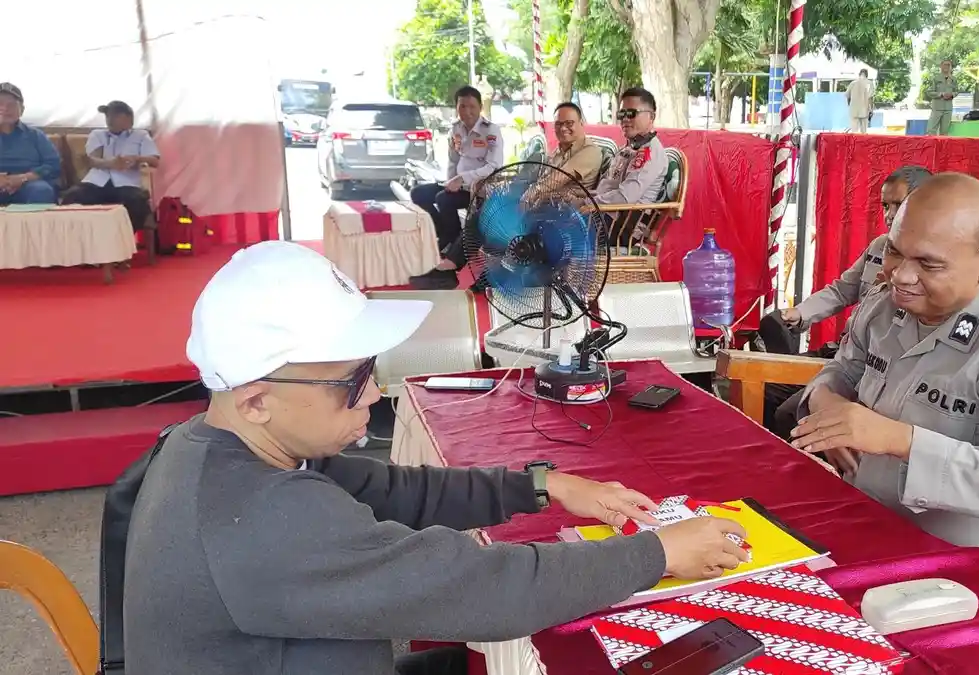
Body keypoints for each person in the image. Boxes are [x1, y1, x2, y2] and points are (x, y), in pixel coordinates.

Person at [122, 241, 749, 675]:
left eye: (370, 370)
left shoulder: (221, 445)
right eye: (351, 381)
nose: (374, 392)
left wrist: (545, 484)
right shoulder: (261, 516)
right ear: (258, 400)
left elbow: (399, 491)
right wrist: (659, 552)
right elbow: (482, 589)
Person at [787, 173, 979, 577]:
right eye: (895, 252)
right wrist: (828, 401)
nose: (901, 276)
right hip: (863, 522)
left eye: (928, 263)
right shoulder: (884, 306)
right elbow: (843, 368)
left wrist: (901, 441)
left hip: (959, 568)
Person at [761, 165, 932, 437]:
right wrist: (800, 313)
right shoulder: (879, 247)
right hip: (842, 352)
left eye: (898, 204)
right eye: (885, 205)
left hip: (877, 364)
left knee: (791, 415)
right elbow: (843, 290)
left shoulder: (936, 265)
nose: (889, 215)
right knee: (764, 389)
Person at [412, 101, 603, 290]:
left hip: (565, 218)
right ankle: (455, 268)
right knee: (488, 213)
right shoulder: (560, 151)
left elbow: (557, 179)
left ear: (581, 123)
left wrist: (530, 195)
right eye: (559, 124)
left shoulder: (589, 151)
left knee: (497, 218)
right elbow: (540, 178)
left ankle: (471, 274)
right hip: (545, 209)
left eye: (569, 123)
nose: (564, 128)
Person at [410, 86, 502, 252]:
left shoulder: (490, 130)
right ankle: (446, 232)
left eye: (472, 106)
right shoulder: (456, 128)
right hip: (457, 184)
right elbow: (453, 159)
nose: (467, 112)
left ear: (480, 108)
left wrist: (462, 179)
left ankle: (451, 241)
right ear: (456, 108)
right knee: (418, 193)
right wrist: (450, 181)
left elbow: (494, 166)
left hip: (478, 189)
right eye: (462, 106)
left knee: (443, 199)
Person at [61, 100, 159, 231]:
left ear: (129, 118)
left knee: (138, 203)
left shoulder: (140, 135)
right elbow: (91, 160)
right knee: (71, 197)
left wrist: (136, 158)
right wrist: (112, 163)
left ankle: (123, 242)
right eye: (108, 116)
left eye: (115, 116)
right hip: (96, 183)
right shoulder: (97, 134)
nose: (110, 119)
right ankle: (78, 240)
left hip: (126, 184)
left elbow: (155, 161)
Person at [594, 87, 669, 247]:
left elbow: (625, 197)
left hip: (621, 228)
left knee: (556, 236)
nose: (625, 119)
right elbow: (607, 189)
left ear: (651, 117)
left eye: (632, 113)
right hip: (605, 218)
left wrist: (587, 203)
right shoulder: (629, 148)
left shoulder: (649, 152)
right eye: (621, 114)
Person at [0, 82, 61, 205]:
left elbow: (53, 165)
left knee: (42, 191)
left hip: (29, 185)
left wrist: (22, 178)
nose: (5, 109)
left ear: (22, 110)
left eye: (11, 105)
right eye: (0, 104)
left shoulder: (36, 135)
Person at [927, 60, 956, 136]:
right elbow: (929, 92)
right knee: (931, 130)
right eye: (945, 65)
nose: (947, 66)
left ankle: (942, 147)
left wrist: (952, 95)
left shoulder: (953, 79)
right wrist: (941, 94)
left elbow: (957, 91)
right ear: (941, 66)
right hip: (937, 107)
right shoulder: (935, 78)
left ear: (951, 67)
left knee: (944, 131)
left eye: (949, 65)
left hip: (948, 108)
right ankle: (931, 146)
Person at [847, 69, 874, 133]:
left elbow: (848, 96)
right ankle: (863, 141)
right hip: (864, 109)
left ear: (859, 74)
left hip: (854, 109)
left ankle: (854, 141)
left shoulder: (853, 83)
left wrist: (849, 105)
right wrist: (871, 110)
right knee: (864, 130)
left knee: (854, 130)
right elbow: (870, 97)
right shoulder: (869, 83)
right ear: (867, 75)